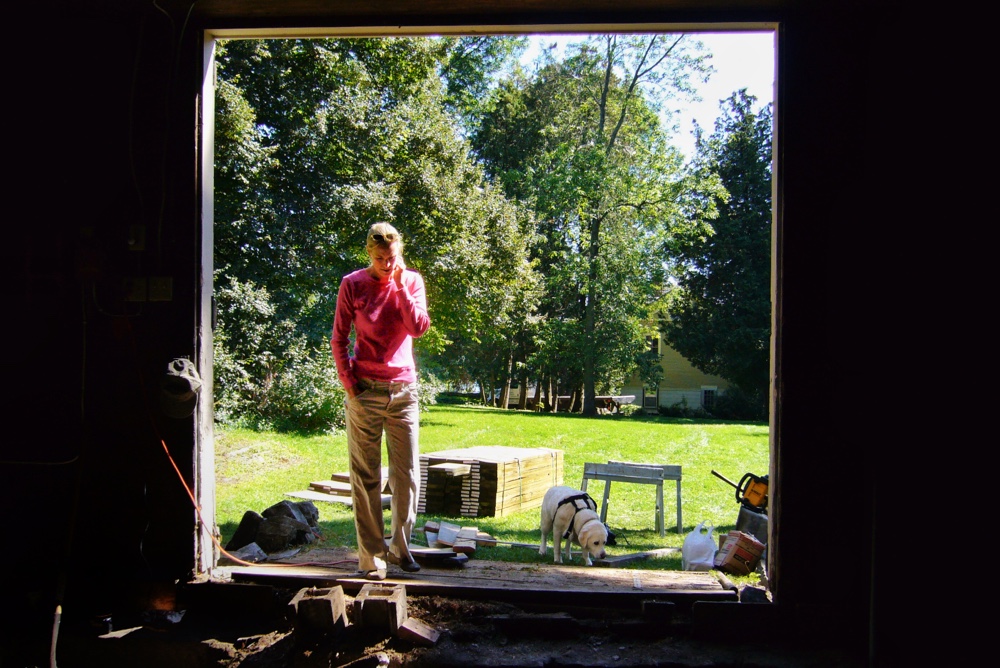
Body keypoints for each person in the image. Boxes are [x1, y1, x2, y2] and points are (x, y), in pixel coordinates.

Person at [331, 222, 431, 580]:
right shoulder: (352, 284)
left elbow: (419, 327)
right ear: (368, 255)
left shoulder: (412, 282)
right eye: (378, 258)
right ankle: (372, 559)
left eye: (390, 257)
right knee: (366, 476)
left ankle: (401, 549)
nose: (385, 264)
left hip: (404, 392)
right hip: (365, 391)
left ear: (399, 251)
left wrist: (401, 287)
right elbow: (338, 338)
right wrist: (350, 386)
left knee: (407, 476)